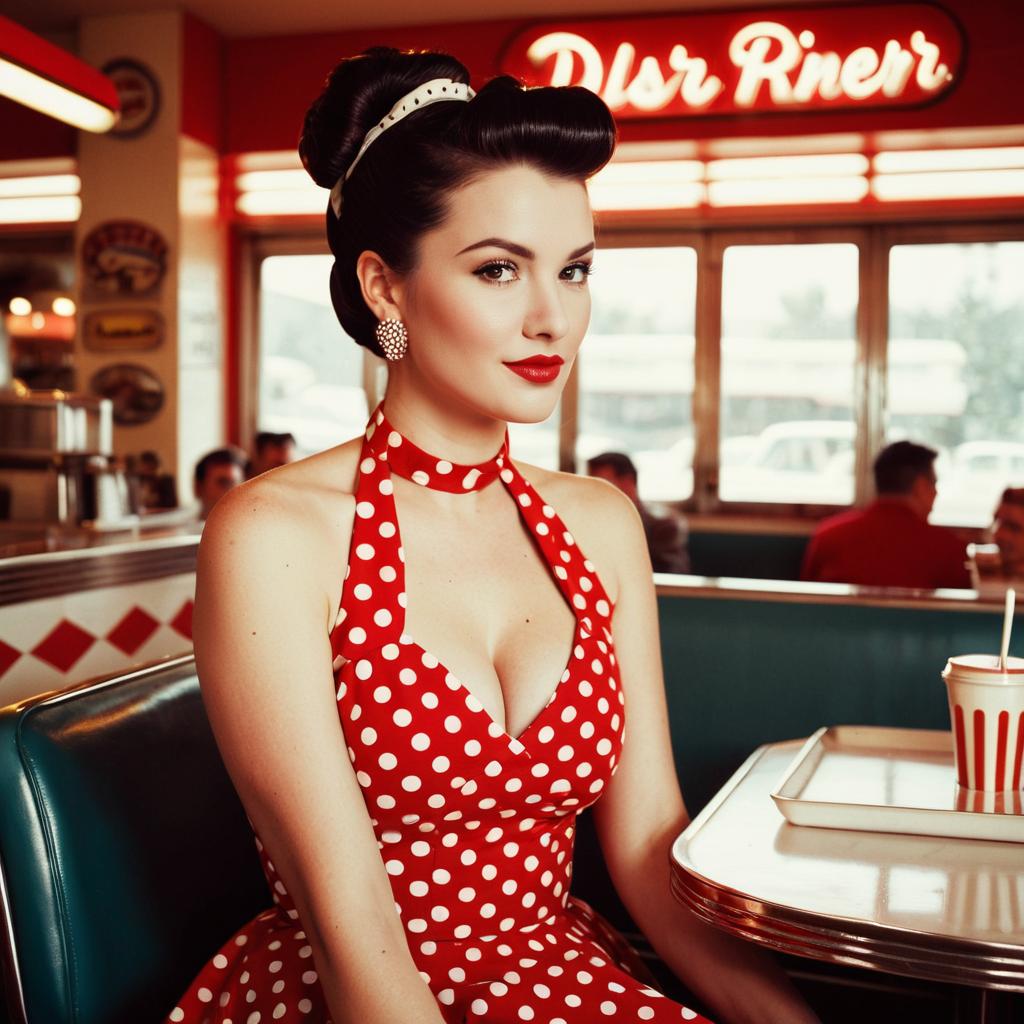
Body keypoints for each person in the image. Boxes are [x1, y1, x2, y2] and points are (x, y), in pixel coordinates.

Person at [168, 48, 818, 1024]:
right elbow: (358, 941)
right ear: (384, 288)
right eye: (498, 269)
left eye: (575, 269)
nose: (552, 316)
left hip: (555, 971)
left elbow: (648, 847)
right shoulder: (271, 534)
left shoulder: (598, 522)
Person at [801, 440, 970, 590]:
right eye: (934, 484)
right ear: (920, 486)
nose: (936, 493)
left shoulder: (827, 536)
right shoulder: (948, 548)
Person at [587, 451, 690, 574]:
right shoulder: (590, 522)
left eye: (600, 485)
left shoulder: (664, 525)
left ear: (627, 482)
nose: (592, 492)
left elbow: (669, 575)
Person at [193, 446, 247, 520]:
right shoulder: (177, 528)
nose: (231, 492)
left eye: (237, 485)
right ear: (198, 488)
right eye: (224, 483)